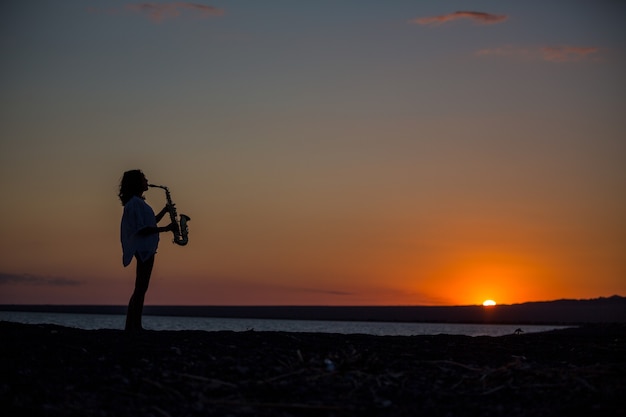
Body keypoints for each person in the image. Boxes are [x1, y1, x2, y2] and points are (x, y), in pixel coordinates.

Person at [118, 169, 176, 332]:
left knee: (141, 287)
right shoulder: (135, 204)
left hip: (145, 248)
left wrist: (165, 211)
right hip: (143, 249)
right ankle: (133, 325)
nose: (147, 181)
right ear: (137, 183)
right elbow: (142, 229)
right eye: (144, 179)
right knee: (141, 288)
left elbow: (150, 222)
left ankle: (133, 325)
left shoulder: (137, 203)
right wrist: (167, 228)